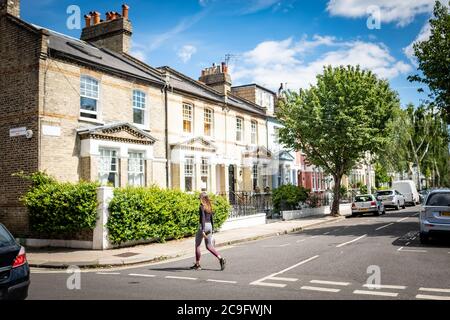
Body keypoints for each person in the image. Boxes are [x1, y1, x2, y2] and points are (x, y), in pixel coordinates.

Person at [190, 192, 226, 271]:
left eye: (199, 198)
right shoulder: (209, 206)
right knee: (209, 246)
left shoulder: (202, 206)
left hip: (203, 226)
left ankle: (198, 264)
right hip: (209, 226)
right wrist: (212, 230)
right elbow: (211, 218)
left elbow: (202, 218)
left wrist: (202, 230)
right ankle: (220, 258)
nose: (199, 199)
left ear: (202, 198)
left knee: (197, 245)